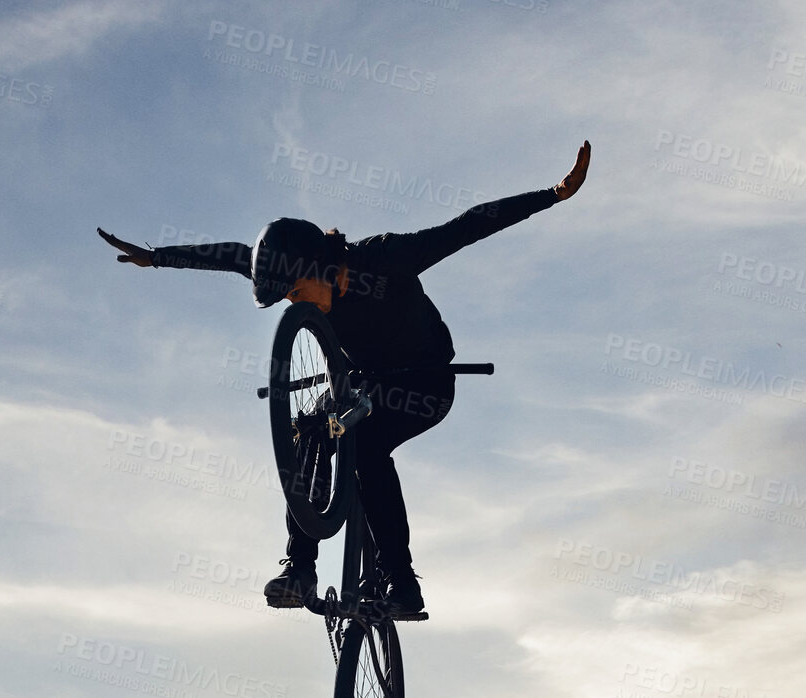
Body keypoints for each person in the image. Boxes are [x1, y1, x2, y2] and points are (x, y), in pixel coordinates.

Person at [98, 142, 590, 615]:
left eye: (295, 291)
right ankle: (301, 568)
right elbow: (231, 254)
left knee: (368, 447)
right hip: (369, 382)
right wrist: (156, 256)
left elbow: (467, 227)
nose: (297, 304)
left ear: (320, 267)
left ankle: (401, 584)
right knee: (313, 428)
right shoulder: (298, 278)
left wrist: (553, 194)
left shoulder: (386, 259)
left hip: (427, 383)